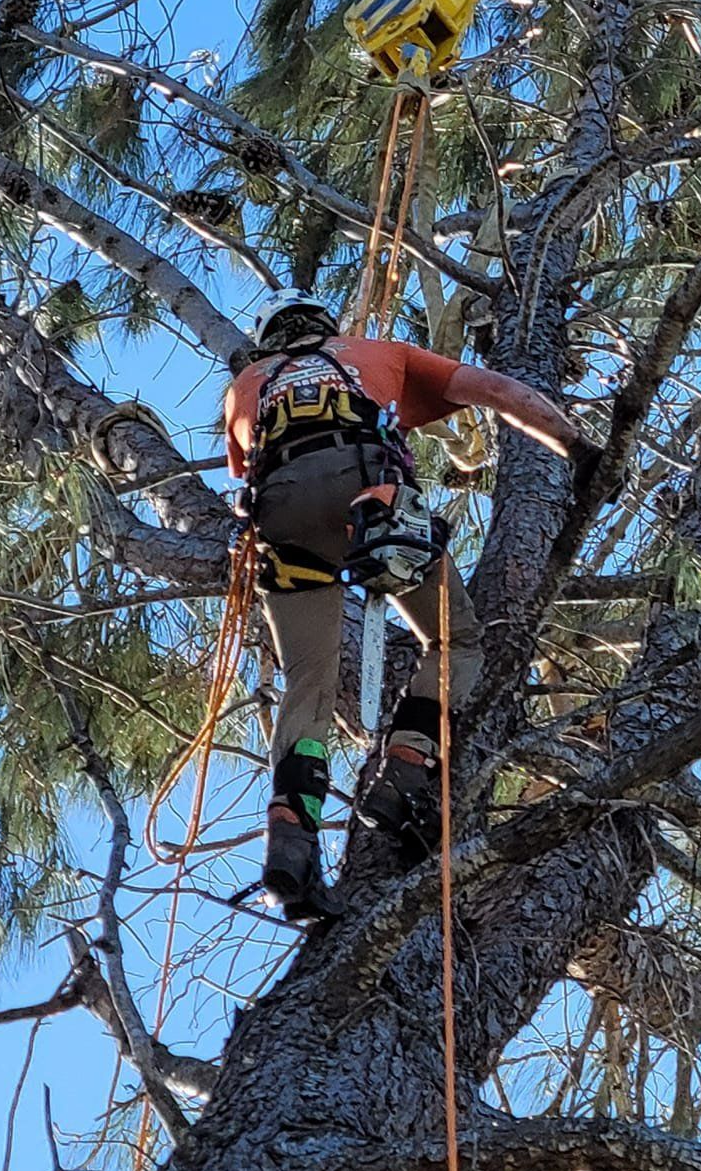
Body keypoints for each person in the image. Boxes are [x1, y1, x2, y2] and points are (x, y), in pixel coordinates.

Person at [225, 288, 586, 921]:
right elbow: (503, 393)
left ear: (269, 337)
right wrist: (577, 450)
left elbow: (241, 480)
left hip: (281, 520)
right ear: (326, 322)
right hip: (372, 503)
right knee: (455, 642)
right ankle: (407, 768)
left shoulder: (245, 387)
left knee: (308, 681)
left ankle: (292, 832)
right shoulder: (377, 352)